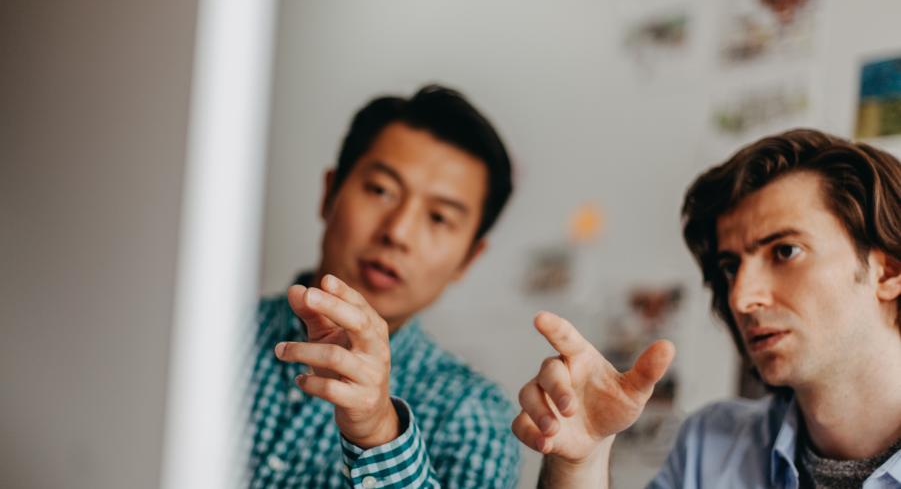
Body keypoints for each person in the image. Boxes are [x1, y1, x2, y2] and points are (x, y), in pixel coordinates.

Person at [512, 129, 901, 488]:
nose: (740, 298)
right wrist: (582, 460)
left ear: (889, 272)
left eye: (786, 251)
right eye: (731, 268)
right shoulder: (710, 446)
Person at [249, 85, 520, 488]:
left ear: (468, 258)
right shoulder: (203, 331)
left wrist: (378, 433)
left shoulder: (473, 417)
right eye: (380, 191)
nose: (398, 232)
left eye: (440, 218)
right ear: (329, 193)